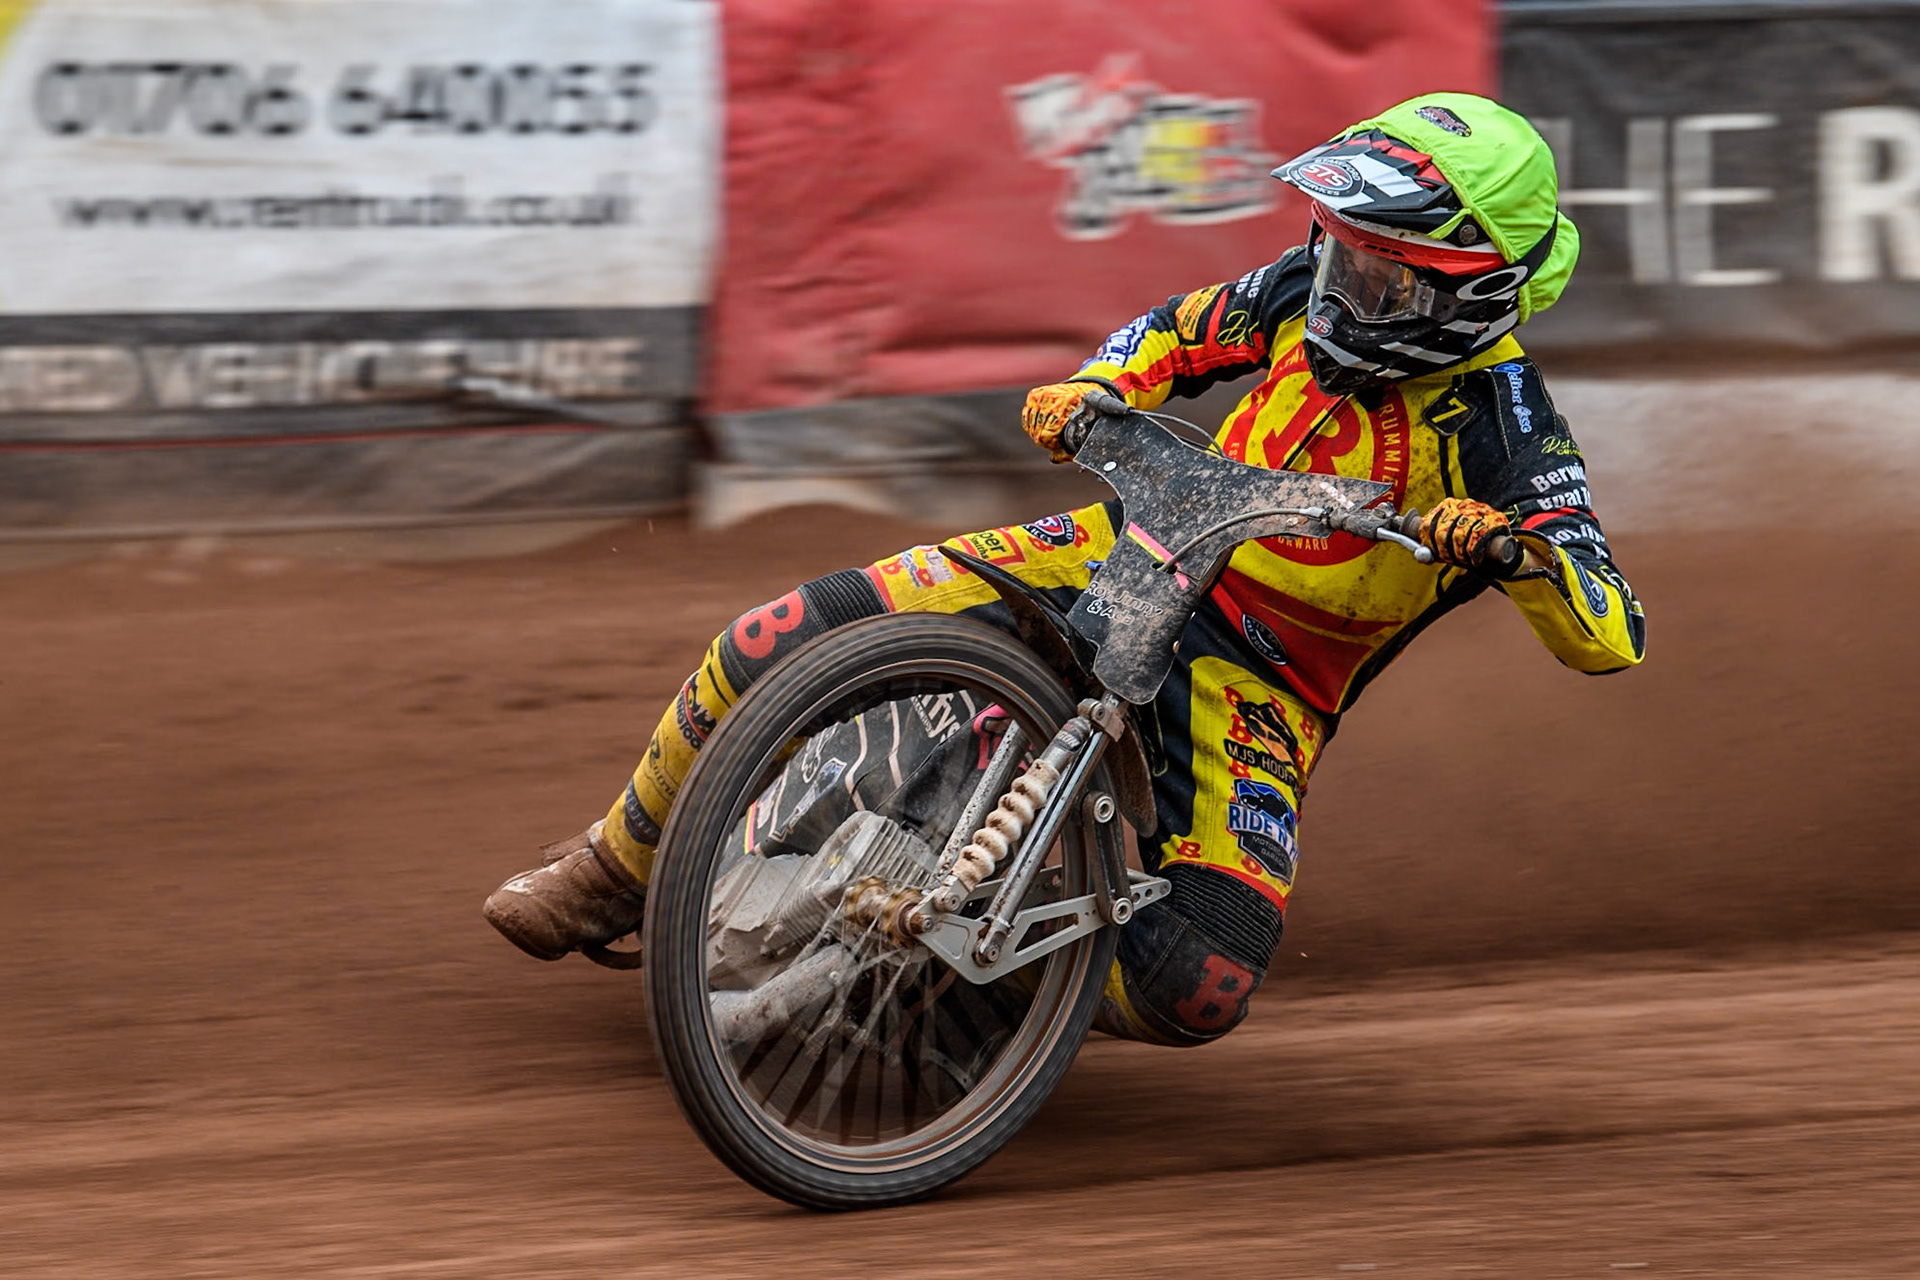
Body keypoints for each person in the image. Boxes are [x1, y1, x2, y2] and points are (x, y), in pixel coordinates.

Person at [483, 92, 1645, 1046]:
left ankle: (970, 1000)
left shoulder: (1508, 429)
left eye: (1382, 277)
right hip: (1137, 546)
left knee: (1201, 984)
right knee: (776, 631)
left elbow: (1612, 630)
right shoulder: (1303, 286)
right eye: (1339, 252)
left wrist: (1514, 548)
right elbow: (1178, 328)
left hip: (1260, 680)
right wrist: (1101, 386)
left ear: (1470, 291)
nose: (1342, 287)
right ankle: (614, 866)